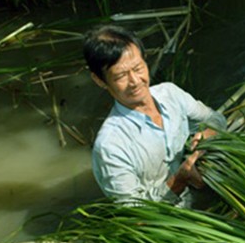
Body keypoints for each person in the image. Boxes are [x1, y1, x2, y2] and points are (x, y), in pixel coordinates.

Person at [84, 24, 226, 207]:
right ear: (99, 80)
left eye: (138, 68)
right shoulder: (110, 147)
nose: (135, 81)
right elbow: (135, 215)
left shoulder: (170, 94)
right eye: (121, 76)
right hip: (173, 223)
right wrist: (179, 181)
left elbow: (217, 119)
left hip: (212, 194)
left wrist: (207, 134)